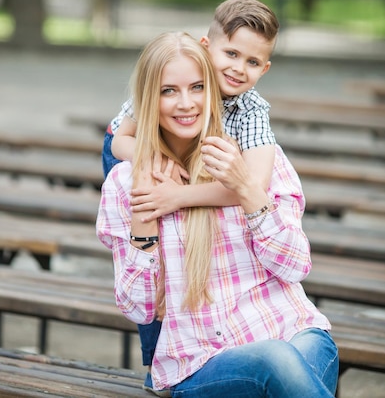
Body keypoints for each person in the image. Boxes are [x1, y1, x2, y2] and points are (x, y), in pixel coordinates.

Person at [96, 31, 339, 397]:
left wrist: (246, 189)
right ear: (149, 99)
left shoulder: (258, 160)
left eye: (197, 87)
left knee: (288, 358)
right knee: (274, 361)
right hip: (200, 361)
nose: (186, 104)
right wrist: (143, 222)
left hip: (292, 329)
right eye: (168, 91)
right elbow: (139, 309)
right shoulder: (126, 182)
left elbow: (295, 267)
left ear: (213, 89)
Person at [101, 0, 279, 394]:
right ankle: (156, 356)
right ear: (206, 46)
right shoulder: (177, 74)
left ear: (264, 69)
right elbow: (119, 141)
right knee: (150, 258)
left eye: (252, 62)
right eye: (230, 53)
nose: (237, 68)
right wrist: (151, 161)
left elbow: (252, 187)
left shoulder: (249, 110)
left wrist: (179, 196)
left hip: (197, 175)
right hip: (135, 148)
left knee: (189, 254)